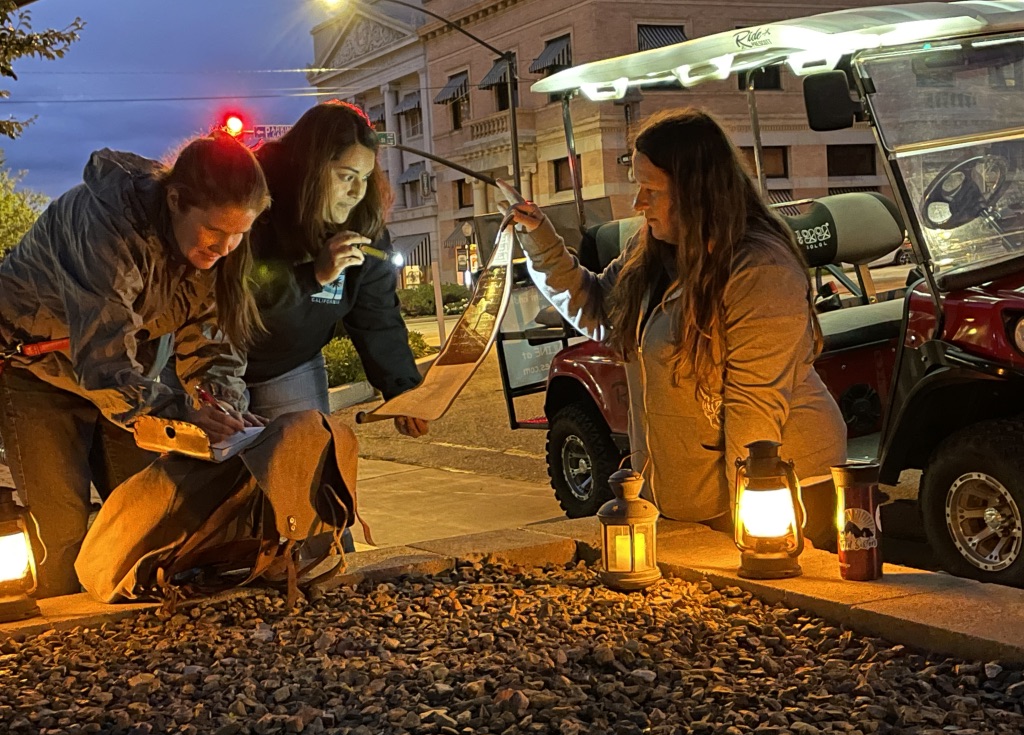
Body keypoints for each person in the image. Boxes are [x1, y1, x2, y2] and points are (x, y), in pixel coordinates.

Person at [501, 108, 847, 530]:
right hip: (692, 497)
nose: (637, 203)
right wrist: (539, 237)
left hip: (781, 492)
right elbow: (595, 307)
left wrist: (754, 526)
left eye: (651, 190)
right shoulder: (650, 254)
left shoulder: (760, 270)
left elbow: (754, 409)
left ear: (695, 191)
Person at [0, 133, 271, 598]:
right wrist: (180, 411)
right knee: (62, 520)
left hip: (132, 373)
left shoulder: (216, 245)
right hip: (34, 368)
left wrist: (221, 406)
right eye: (214, 231)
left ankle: (140, 622)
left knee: (147, 504)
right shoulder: (104, 224)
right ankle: (66, 634)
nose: (225, 247)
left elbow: (212, 343)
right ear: (174, 200)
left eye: (239, 234)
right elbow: (103, 361)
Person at [245, 102, 428, 439]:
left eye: (364, 178)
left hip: (291, 364)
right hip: (218, 363)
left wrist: (401, 387)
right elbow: (239, 301)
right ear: (310, 167)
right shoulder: (254, 203)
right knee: (222, 477)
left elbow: (377, 315)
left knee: (303, 469)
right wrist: (314, 277)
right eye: (346, 176)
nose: (357, 192)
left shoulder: (365, 228)